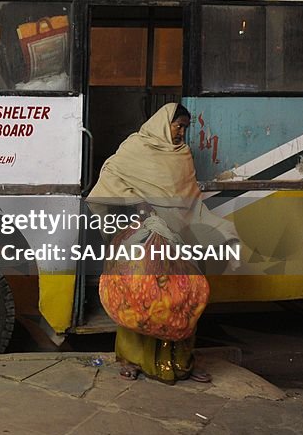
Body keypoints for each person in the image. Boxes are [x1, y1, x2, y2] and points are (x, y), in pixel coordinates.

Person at [87, 103, 241, 384]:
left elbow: (190, 200)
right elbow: (109, 180)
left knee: (181, 297)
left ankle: (181, 363)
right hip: (143, 236)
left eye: (184, 127)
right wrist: (138, 206)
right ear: (163, 123)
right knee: (137, 295)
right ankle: (132, 360)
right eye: (177, 126)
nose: (181, 132)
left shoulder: (182, 156)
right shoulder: (136, 148)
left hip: (180, 237)